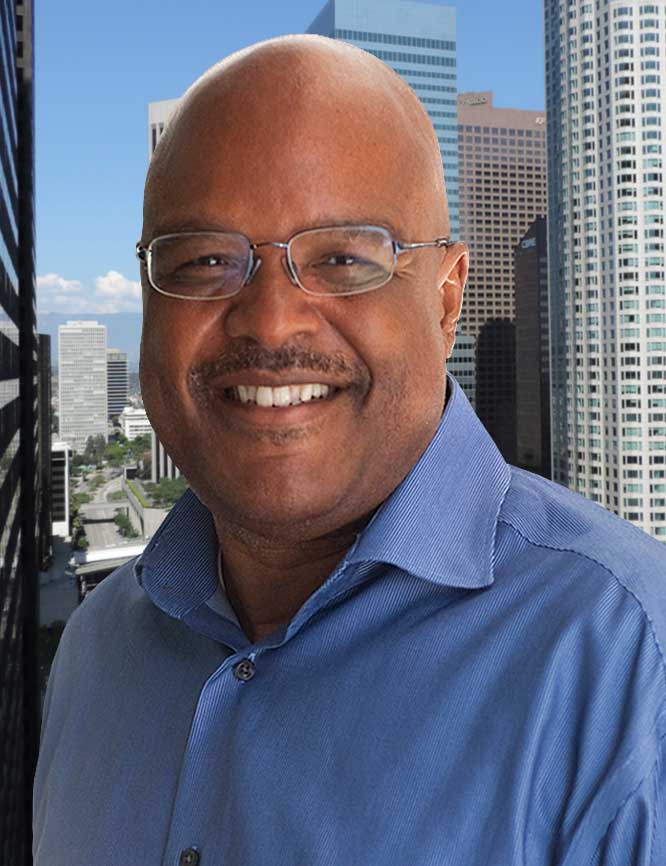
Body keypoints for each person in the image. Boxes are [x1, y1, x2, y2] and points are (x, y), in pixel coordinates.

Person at [34, 35, 666, 866]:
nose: (270, 322)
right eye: (205, 261)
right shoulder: (96, 650)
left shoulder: (632, 671)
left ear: (447, 299)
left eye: (341, 258)